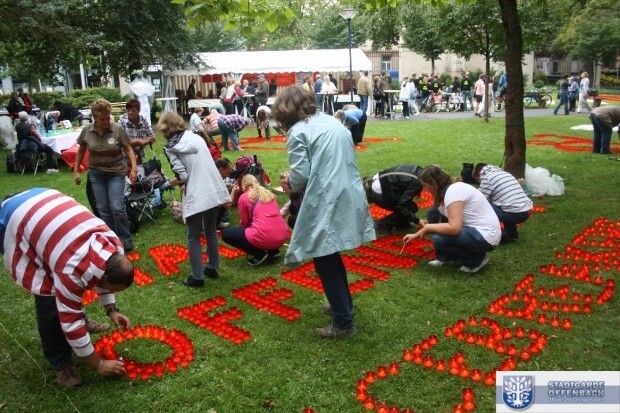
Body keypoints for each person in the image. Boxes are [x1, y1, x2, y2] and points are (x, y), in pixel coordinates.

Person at [0, 188, 134, 388]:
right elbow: (70, 323)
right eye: (112, 288)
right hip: (18, 217)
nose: (112, 291)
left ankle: (83, 319)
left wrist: (111, 309)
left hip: (49, 209)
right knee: (50, 302)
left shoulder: (115, 249)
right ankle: (62, 365)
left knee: (68, 296)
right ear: (104, 276)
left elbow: (103, 279)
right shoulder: (70, 270)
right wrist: (98, 364)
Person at [272, 86, 375, 338]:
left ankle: (343, 322)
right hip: (346, 190)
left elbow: (301, 175)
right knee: (330, 253)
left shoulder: (298, 131)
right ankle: (343, 306)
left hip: (326, 196)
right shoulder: (332, 121)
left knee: (324, 257)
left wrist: (288, 181)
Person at [158, 112, 232, 286]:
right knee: (210, 230)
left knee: (193, 236)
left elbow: (183, 175)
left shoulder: (170, 147)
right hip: (212, 187)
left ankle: (197, 277)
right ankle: (212, 267)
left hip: (196, 191)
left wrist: (171, 183)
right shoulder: (197, 137)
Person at [403, 165, 501, 274]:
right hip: (472, 229)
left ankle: (476, 260)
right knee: (433, 212)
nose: (424, 189)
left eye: (425, 185)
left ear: (433, 183)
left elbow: (454, 229)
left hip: (486, 235)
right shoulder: (444, 191)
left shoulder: (454, 191)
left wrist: (427, 228)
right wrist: (419, 233)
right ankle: (445, 257)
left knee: (438, 238)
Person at [73, 99, 137, 251]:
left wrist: (134, 167)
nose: (106, 121)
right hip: (97, 174)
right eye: (102, 119)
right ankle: (111, 238)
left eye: (108, 117)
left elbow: (128, 149)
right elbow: (81, 151)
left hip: (116, 172)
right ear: (95, 118)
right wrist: (76, 171)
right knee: (103, 209)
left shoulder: (117, 129)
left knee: (117, 207)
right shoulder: (87, 130)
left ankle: (126, 237)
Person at [221, 174, 288, 265]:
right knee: (267, 225)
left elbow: (245, 223)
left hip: (264, 237)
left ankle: (259, 254)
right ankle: (273, 251)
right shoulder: (269, 194)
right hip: (282, 236)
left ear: (244, 186)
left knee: (226, 234)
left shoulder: (244, 197)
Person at [473, 163, 533, 243]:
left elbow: (480, 199)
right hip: (526, 210)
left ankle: (497, 235)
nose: (479, 183)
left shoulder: (487, 178)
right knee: (504, 205)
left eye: (478, 180)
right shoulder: (505, 174)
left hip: (515, 213)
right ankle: (512, 235)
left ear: (479, 174)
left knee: (486, 208)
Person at [363, 164, 424, 235]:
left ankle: (401, 223)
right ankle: (383, 223)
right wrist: (417, 220)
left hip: (379, 186)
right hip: (380, 194)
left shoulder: (418, 171)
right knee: (411, 208)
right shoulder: (417, 182)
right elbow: (401, 205)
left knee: (408, 205)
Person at [118, 99, 156, 166]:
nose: (130, 112)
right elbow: (122, 141)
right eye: (128, 110)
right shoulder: (122, 121)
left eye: (133, 111)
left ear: (138, 111)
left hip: (140, 156)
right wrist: (139, 141)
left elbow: (152, 137)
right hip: (124, 157)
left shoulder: (144, 121)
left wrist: (142, 143)